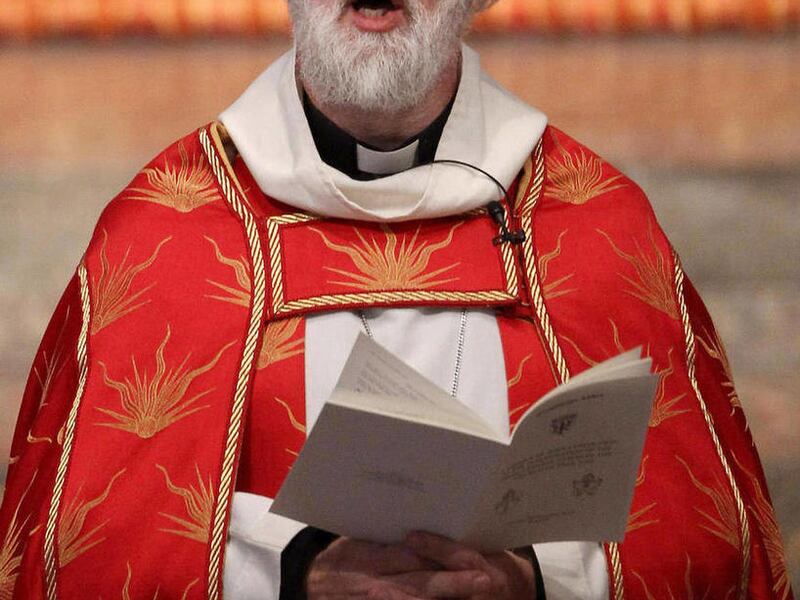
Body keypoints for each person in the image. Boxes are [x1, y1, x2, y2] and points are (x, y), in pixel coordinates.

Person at [0, 0, 793, 598]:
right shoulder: (161, 237)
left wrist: (533, 580)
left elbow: (714, 550)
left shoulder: (598, 226)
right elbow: (77, 552)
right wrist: (295, 573)